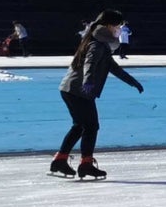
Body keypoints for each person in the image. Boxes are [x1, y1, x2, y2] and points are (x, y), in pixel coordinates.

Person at [52, 10, 144, 180]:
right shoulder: (97, 43)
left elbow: (113, 67)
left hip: (71, 89)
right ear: (109, 26)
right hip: (78, 90)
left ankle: (60, 160)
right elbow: (90, 63)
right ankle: (85, 164)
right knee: (91, 126)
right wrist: (88, 81)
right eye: (117, 26)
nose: (119, 29)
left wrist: (132, 82)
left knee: (80, 126)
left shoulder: (99, 41)